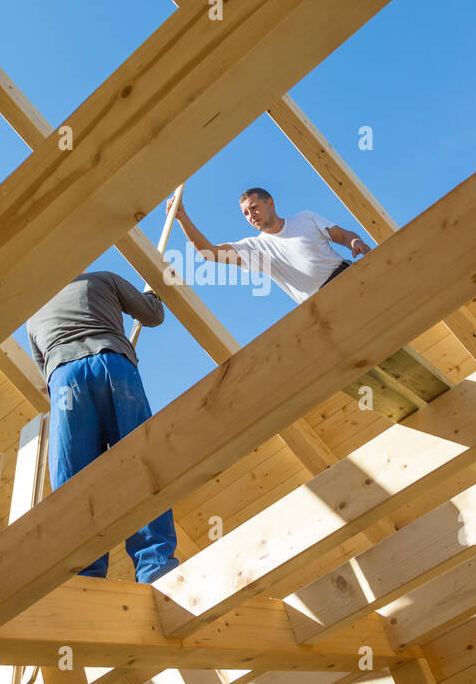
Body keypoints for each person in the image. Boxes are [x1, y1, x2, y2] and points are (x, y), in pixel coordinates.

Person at [26, 271, 180, 584]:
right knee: (140, 465)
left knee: (75, 482)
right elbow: (152, 316)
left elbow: (46, 374)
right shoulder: (101, 280)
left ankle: (87, 578)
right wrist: (154, 294)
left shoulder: (32, 317)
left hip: (65, 383)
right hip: (113, 365)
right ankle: (156, 568)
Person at [167, 187, 371, 304]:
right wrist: (182, 218)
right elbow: (209, 253)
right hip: (322, 304)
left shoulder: (305, 218)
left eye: (254, 208)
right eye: (246, 213)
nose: (251, 216)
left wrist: (356, 242)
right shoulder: (255, 248)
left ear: (270, 203)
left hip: (349, 279)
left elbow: (343, 235)